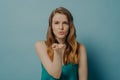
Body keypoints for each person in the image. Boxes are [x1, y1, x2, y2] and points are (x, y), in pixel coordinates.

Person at [35, 7, 88, 80]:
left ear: (70, 26)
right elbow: (56, 75)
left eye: (65, 23)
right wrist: (58, 54)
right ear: (51, 26)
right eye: (56, 23)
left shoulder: (80, 48)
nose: (61, 27)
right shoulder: (40, 45)